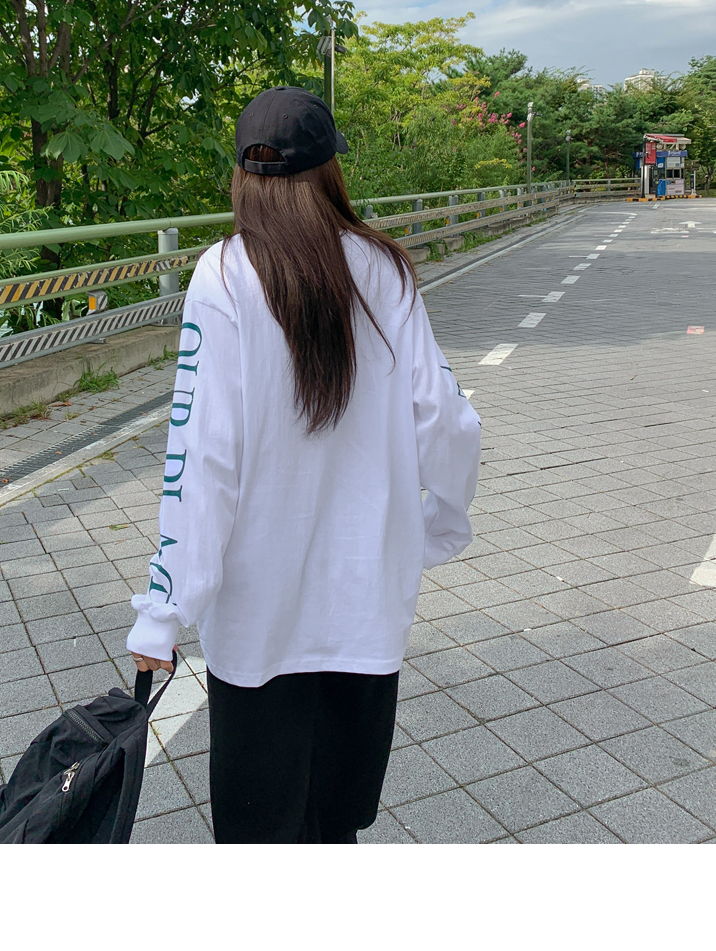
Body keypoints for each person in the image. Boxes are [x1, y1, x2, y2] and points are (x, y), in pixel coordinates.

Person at [126, 86, 481, 843]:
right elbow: (446, 417)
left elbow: (201, 458)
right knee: (336, 828)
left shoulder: (223, 277)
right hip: (367, 606)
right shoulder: (384, 270)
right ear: (330, 171)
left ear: (241, 177)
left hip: (257, 619)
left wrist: (165, 608)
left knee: (261, 837)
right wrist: (440, 523)